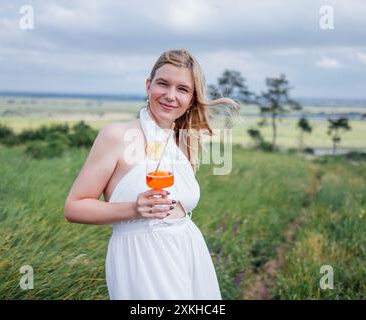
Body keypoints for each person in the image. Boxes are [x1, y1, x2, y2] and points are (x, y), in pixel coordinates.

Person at [64, 49, 240, 299]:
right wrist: (134, 209)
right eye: (163, 84)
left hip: (188, 251)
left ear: (191, 98)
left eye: (182, 89)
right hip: (141, 258)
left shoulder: (185, 142)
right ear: (148, 86)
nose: (170, 96)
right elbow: (74, 207)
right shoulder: (115, 136)